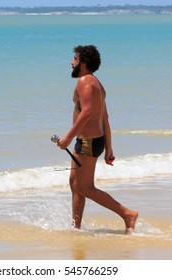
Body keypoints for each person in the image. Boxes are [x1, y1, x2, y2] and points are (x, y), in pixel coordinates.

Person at [57, 45, 138, 234]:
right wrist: (109, 148)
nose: (71, 62)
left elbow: (87, 113)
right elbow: (105, 117)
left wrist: (68, 138)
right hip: (92, 140)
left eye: (75, 59)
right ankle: (75, 228)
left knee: (85, 187)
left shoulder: (84, 81)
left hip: (88, 141)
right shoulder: (97, 84)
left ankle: (127, 214)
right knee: (74, 183)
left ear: (83, 63)